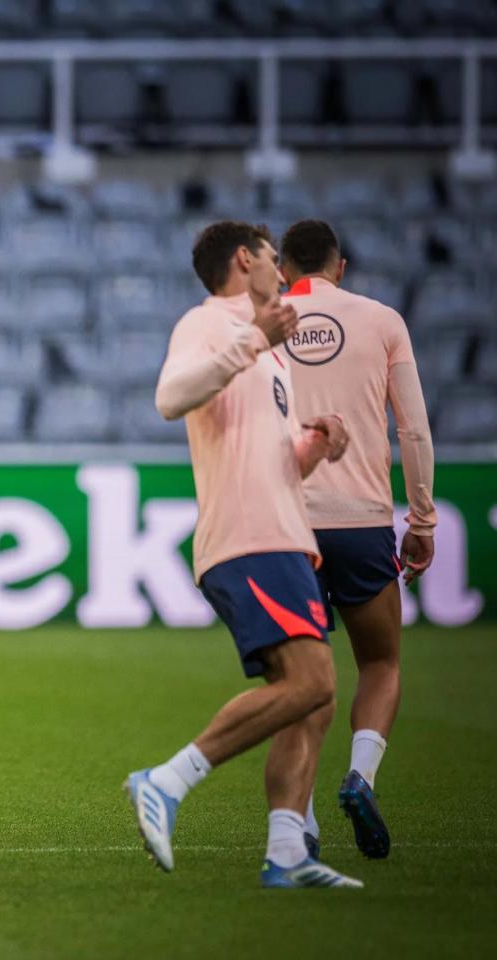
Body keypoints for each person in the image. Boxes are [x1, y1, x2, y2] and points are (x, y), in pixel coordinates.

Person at [125, 221, 363, 889]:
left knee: (312, 699)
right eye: (268, 256)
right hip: (248, 535)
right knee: (311, 683)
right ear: (243, 260)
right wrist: (255, 338)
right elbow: (170, 398)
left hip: (286, 535)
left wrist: (318, 445)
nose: (281, 269)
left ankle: (288, 850)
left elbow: (277, 458)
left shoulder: (274, 349)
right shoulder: (211, 324)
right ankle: (167, 780)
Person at [279, 218, 436, 860]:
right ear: (339, 267)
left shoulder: (260, 325)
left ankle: (304, 820)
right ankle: (360, 777)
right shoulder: (382, 320)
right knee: (381, 662)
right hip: (363, 518)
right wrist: (420, 521)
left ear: (284, 269)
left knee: (298, 676)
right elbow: (415, 431)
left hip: (286, 519)